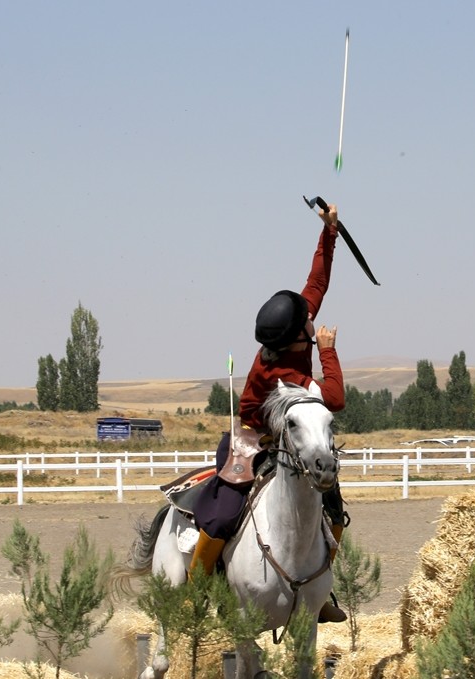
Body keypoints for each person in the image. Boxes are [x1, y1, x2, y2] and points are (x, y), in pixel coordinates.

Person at [190, 201, 348, 623]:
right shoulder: (281, 373)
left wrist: (329, 232)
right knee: (224, 514)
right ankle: (195, 589)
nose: (314, 322)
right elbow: (333, 400)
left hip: (291, 436)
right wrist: (329, 354)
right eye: (310, 326)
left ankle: (319, 595)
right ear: (299, 337)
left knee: (334, 509)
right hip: (251, 437)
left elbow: (317, 281)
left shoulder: (295, 332)